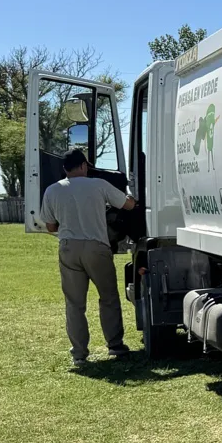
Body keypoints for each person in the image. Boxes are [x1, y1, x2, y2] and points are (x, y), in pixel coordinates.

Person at [40, 149, 136, 366]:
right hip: (96, 246)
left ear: (65, 169)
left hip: (68, 247)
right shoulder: (98, 184)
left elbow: (50, 225)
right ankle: (115, 345)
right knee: (108, 297)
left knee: (74, 303)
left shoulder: (52, 190)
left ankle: (79, 354)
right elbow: (127, 205)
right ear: (84, 166)